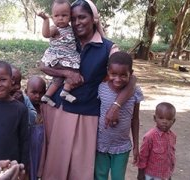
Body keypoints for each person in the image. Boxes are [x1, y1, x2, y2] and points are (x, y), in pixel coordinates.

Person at [37, 0, 136, 179]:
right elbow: (43, 66)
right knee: (57, 165)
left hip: (87, 114)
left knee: (80, 168)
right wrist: (68, 73)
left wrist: (116, 106)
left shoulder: (108, 48)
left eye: (82, 17)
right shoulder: (66, 39)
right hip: (61, 109)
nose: (77, 23)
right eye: (73, 18)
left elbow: (132, 78)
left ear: (94, 18)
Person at [95, 52, 143, 180]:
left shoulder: (135, 93)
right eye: (113, 74)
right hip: (100, 145)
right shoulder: (101, 88)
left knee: (118, 177)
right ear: (108, 72)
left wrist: (136, 146)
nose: (117, 79)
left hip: (122, 147)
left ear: (131, 73)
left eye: (123, 75)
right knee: (99, 176)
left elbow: (135, 119)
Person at [37, 0, 81, 106]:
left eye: (64, 15)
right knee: (74, 72)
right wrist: (45, 20)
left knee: (58, 79)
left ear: (70, 17)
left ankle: (47, 97)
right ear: (52, 17)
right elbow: (46, 34)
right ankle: (65, 92)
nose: (60, 18)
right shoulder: (55, 29)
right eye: (57, 16)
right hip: (58, 57)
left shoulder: (71, 29)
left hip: (68, 56)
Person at [137, 102, 177, 180]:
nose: (164, 121)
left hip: (165, 174)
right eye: (161, 118)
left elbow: (170, 156)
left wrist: (168, 175)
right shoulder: (150, 137)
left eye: (169, 119)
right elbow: (143, 157)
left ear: (173, 121)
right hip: (151, 175)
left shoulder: (173, 136)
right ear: (155, 118)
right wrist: (140, 174)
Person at [23, 76, 46, 180]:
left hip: (41, 150)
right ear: (26, 91)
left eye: (41, 93)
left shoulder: (46, 108)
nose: (38, 96)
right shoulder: (22, 108)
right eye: (34, 92)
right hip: (27, 150)